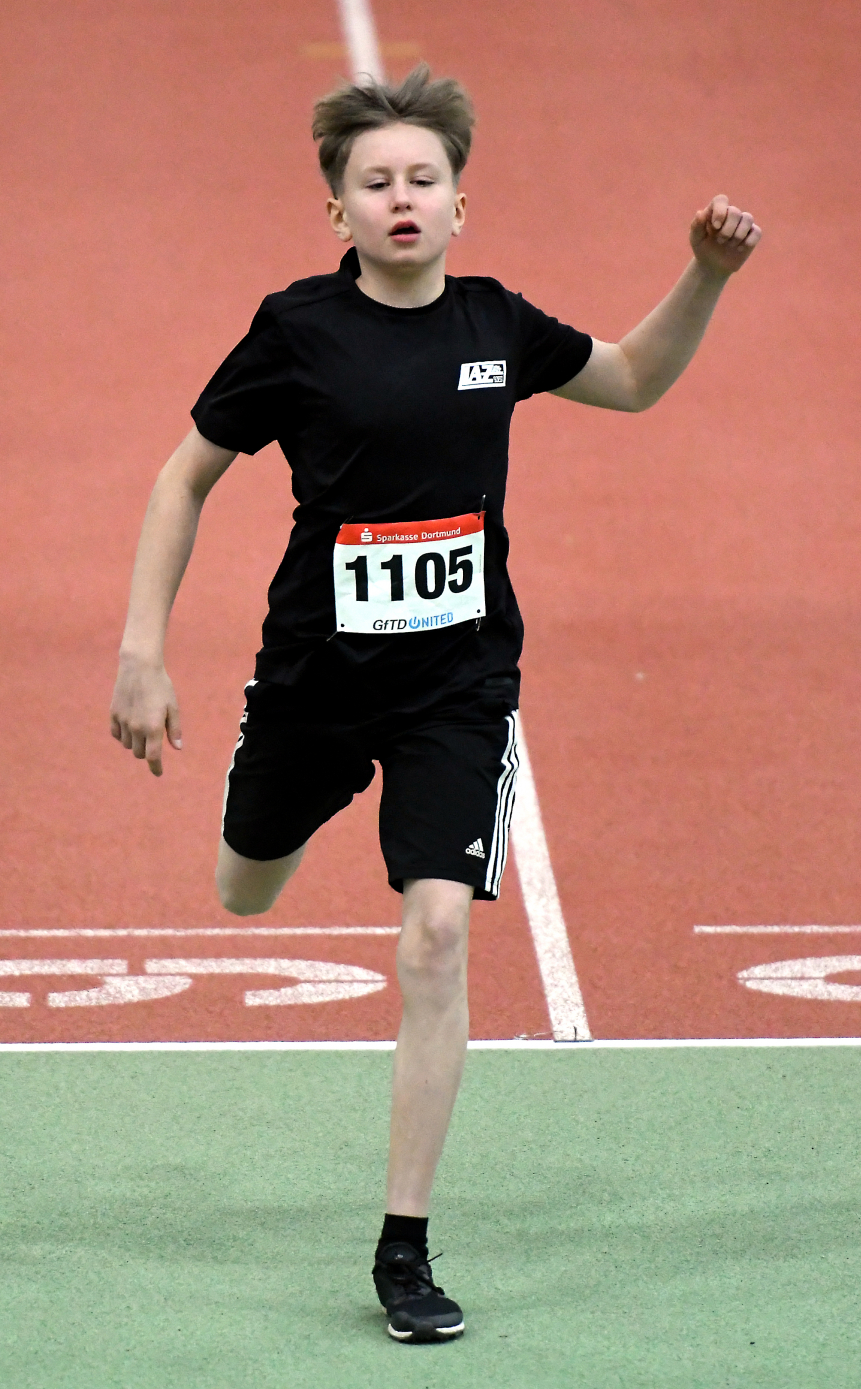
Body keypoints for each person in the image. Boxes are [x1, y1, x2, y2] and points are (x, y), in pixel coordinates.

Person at [110, 64, 761, 1344]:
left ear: (462, 205)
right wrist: (144, 647)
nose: (401, 199)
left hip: (457, 686)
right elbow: (184, 479)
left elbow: (629, 379)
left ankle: (402, 1250)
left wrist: (709, 275)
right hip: (313, 679)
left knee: (437, 939)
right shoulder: (296, 330)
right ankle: (286, 817)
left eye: (423, 180)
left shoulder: (496, 325)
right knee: (247, 887)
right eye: (375, 182)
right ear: (337, 212)